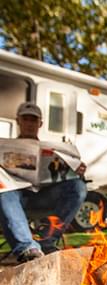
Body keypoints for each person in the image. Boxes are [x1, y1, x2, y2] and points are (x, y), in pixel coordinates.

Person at [0, 102, 88, 262]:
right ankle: (29, 249)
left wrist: (76, 170)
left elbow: (69, 177)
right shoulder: (3, 147)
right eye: (25, 119)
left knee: (78, 187)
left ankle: (46, 240)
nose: (29, 123)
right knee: (3, 193)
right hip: (14, 198)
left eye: (33, 120)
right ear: (18, 120)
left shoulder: (53, 150)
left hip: (44, 195)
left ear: (40, 123)